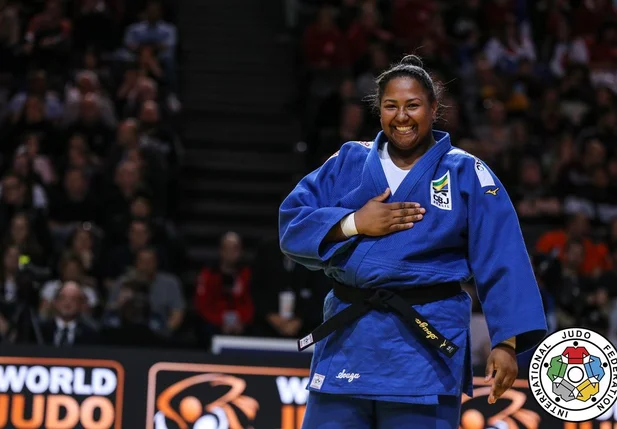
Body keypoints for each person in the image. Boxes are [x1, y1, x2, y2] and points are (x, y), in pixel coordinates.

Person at [278, 55, 547, 428]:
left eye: (413, 105)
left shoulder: (464, 171)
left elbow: (503, 256)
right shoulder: (348, 161)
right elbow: (292, 224)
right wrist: (354, 222)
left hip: (423, 348)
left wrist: (506, 342)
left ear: (434, 109)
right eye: (391, 106)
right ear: (379, 110)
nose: (401, 116)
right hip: (349, 343)